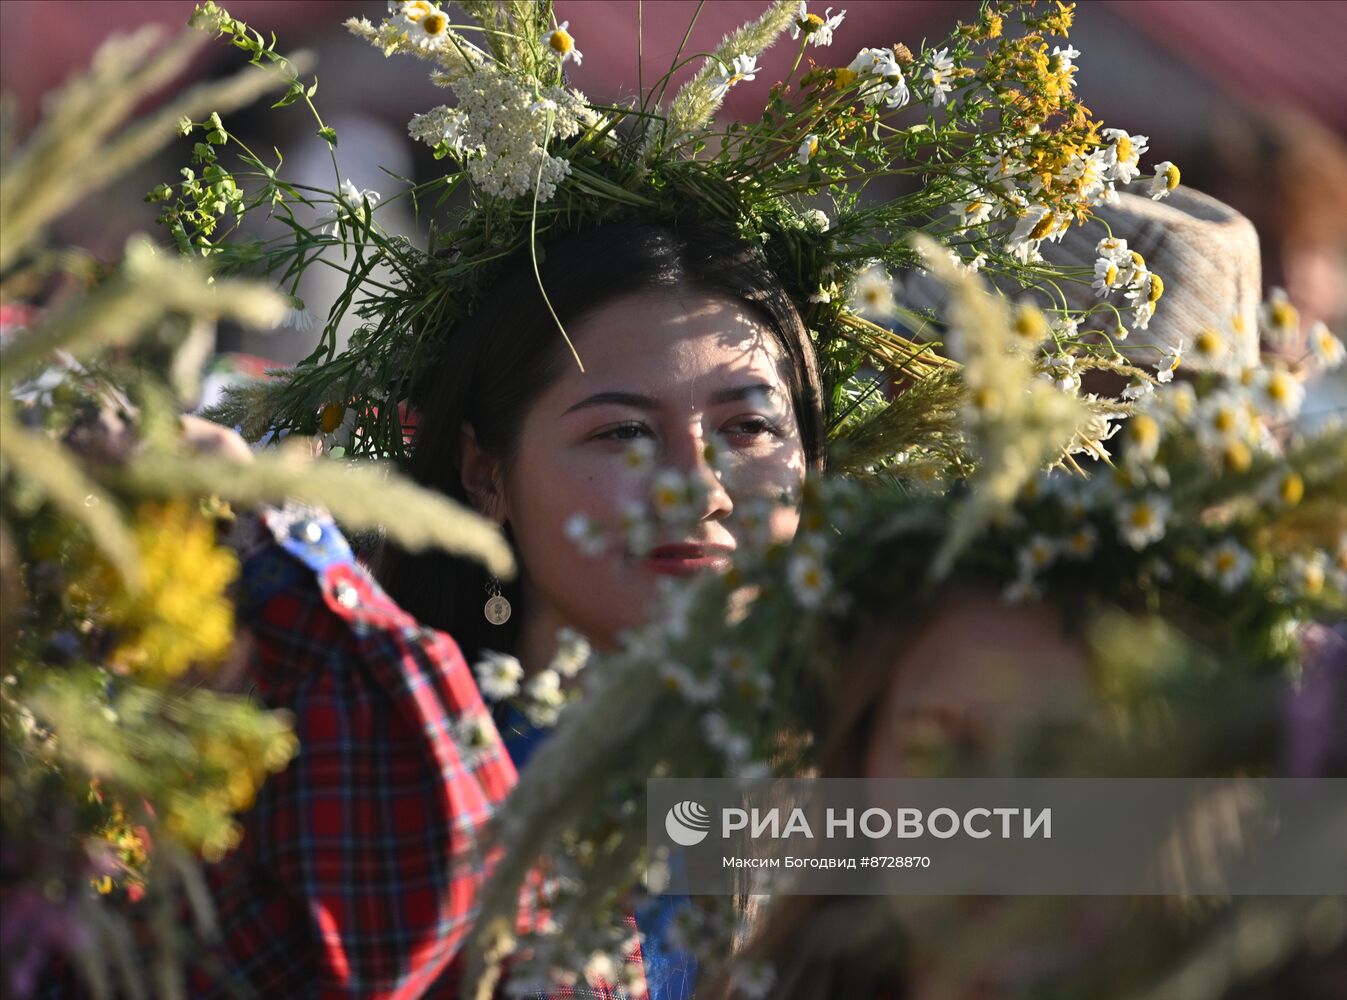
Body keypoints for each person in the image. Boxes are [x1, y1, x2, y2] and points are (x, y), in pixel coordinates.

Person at [190, 219, 825, 999]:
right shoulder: (365, 782)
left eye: (749, 427)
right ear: (486, 475)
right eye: (624, 432)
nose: (698, 489)